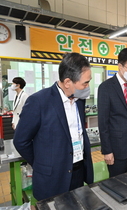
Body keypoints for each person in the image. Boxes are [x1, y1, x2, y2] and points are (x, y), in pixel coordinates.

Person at [13, 53, 94, 200]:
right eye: (85, 83)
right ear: (68, 82)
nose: (87, 87)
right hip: (52, 179)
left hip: (78, 171)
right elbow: (20, 141)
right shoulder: (38, 102)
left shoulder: (79, 100)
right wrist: (42, 163)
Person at [98, 47, 127, 177]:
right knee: (117, 186)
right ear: (120, 66)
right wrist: (107, 151)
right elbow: (103, 122)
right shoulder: (106, 87)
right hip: (116, 150)